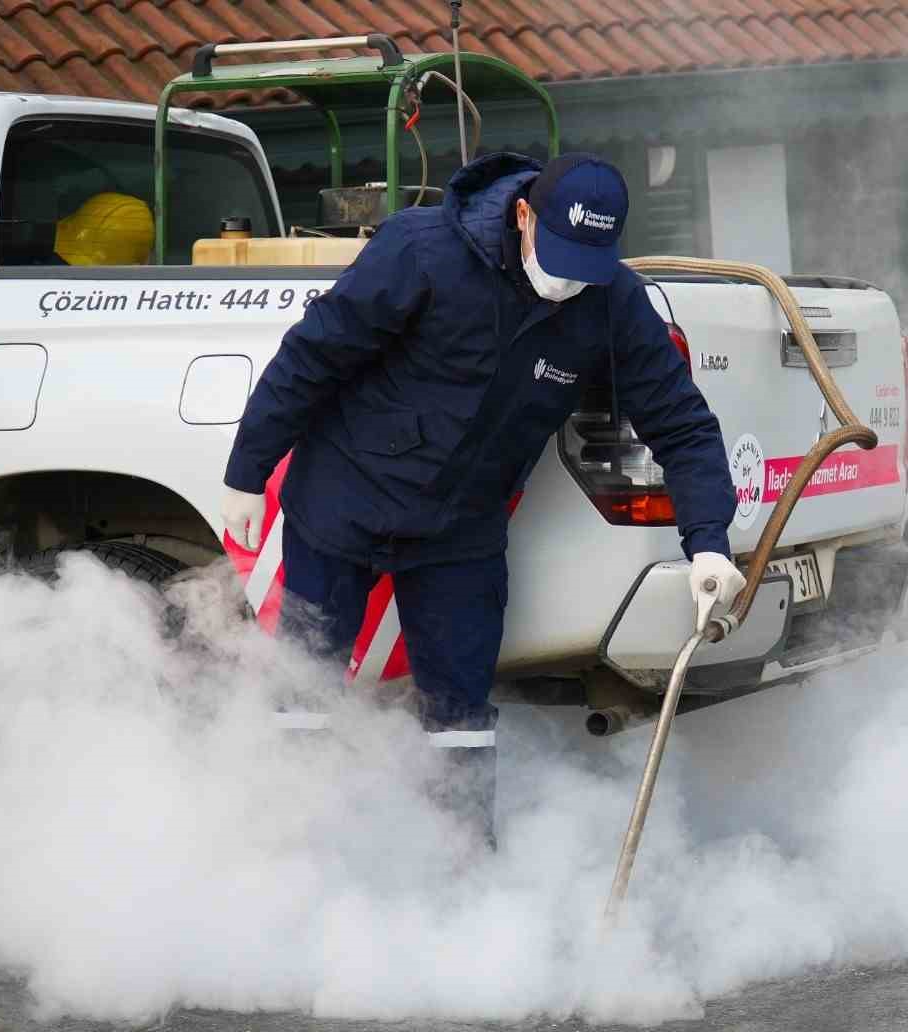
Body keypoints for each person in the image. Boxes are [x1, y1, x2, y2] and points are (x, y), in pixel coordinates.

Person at [218, 152, 743, 841]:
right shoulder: (420, 250)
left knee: (459, 715)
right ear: (524, 215)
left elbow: (681, 422)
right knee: (304, 693)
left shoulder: (612, 301)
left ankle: (460, 872)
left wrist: (708, 541)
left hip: (461, 532)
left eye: (587, 265)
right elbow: (312, 356)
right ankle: (287, 851)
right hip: (342, 504)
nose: (568, 282)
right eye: (559, 257)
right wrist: (246, 472)